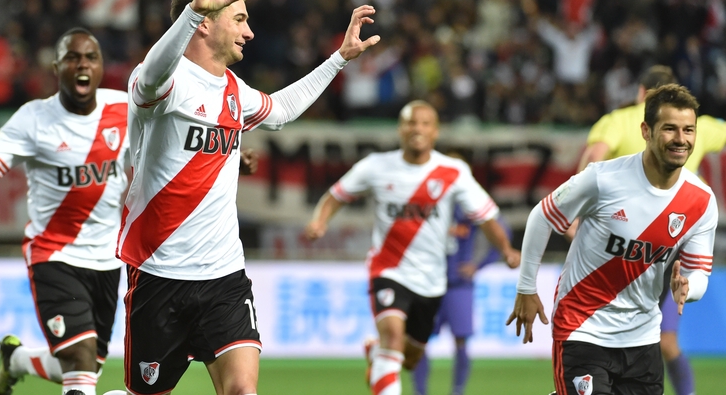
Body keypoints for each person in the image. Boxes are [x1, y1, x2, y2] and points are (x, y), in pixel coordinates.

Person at [115, 0, 379, 395]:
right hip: (159, 272)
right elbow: (151, 77)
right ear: (203, 23)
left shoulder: (235, 91)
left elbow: (282, 110)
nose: (249, 31)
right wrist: (192, 10)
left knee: (242, 390)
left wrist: (338, 59)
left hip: (224, 275)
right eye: (239, 19)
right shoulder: (164, 81)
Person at [0, 28, 129, 395]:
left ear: (101, 67)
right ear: (56, 68)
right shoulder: (33, 119)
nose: (82, 65)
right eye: (72, 58)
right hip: (55, 255)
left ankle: (16, 360)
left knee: (84, 366)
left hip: (107, 260)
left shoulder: (125, 109)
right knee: (80, 360)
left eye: (91, 57)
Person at [507, 84, 717, 395]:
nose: (681, 139)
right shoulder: (603, 179)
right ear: (646, 131)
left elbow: (698, 272)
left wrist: (689, 287)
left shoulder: (701, 200)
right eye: (669, 128)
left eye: (688, 130)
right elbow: (542, 216)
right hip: (583, 327)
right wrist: (526, 287)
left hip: (643, 336)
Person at [305, 100, 520, 395]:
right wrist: (320, 221)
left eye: (424, 123)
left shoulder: (453, 171)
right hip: (388, 270)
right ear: (400, 129)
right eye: (410, 122)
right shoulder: (375, 166)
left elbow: (486, 217)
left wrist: (506, 249)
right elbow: (336, 195)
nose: (417, 128)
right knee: (393, 336)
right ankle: (383, 352)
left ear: (435, 131)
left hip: (431, 280)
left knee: (410, 358)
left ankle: (376, 352)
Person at [575, 65, 726, 395]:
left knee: (595, 339)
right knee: (666, 341)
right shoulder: (697, 127)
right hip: (674, 246)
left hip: (620, 247)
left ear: (641, 93)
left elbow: (594, 155)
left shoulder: (618, 120)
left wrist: (577, 210)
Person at [412, 206, 513, 395]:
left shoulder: (467, 204)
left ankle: (457, 392)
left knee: (460, 341)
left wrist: (479, 264)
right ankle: (420, 392)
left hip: (458, 285)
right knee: (419, 340)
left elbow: (502, 231)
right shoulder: (428, 204)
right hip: (428, 285)